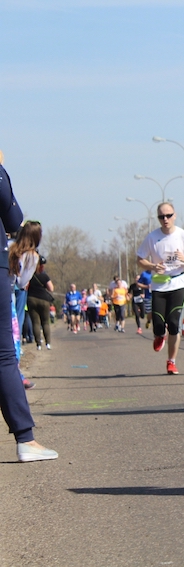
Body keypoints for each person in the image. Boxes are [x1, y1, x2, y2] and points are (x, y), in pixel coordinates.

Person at [0, 149, 57, 461]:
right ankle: (25, 438)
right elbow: (13, 217)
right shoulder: (30, 255)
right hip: (10, 286)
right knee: (4, 355)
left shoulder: (20, 252)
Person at [136, 202, 184, 375]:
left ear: (174, 216)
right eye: (161, 216)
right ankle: (159, 334)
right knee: (158, 324)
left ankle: (171, 361)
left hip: (178, 283)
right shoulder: (152, 237)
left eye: (168, 215)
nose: (165, 219)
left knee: (174, 323)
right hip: (159, 285)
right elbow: (139, 259)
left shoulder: (182, 235)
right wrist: (152, 266)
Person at [27, 255, 53, 350]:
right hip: (44, 300)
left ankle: (38, 344)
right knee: (45, 322)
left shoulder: (29, 275)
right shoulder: (44, 276)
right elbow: (51, 288)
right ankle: (48, 343)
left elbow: (25, 286)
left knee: (35, 323)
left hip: (31, 299)